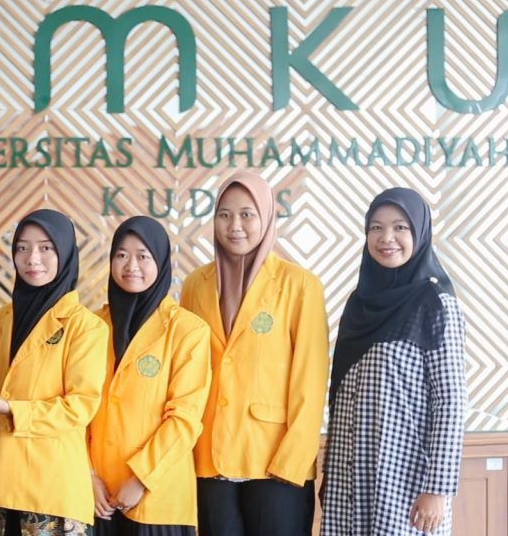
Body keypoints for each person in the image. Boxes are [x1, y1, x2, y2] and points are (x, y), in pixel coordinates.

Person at [180, 171, 329, 536]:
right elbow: (186, 370)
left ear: (266, 217)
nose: (235, 225)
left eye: (247, 214)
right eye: (225, 214)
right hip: (209, 460)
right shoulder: (196, 285)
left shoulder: (299, 285)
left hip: (274, 462)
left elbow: (310, 379)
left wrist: (293, 461)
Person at [320, 188, 467, 536]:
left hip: (405, 481)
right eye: (376, 227)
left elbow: (450, 402)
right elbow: (341, 395)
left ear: (419, 232)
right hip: (349, 476)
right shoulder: (358, 303)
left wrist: (438, 489)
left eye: (400, 227)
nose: (386, 238)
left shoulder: (435, 303)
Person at [0, 209, 109, 535]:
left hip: (50, 486)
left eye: (46, 248)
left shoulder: (86, 327)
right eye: (22, 248)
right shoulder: (7, 315)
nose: (32, 259)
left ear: (65, 253)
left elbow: (79, 407)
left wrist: (8, 408)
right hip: (1, 478)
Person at [88, 216, 211, 536]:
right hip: (95, 496)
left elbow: (184, 418)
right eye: (121, 255)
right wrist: (87, 475)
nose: (131, 265)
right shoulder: (92, 326)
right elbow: (75, 404)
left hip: (157, 496)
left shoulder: (187, 330)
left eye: (143, 256)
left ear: (161, 261)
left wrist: (141, 477)